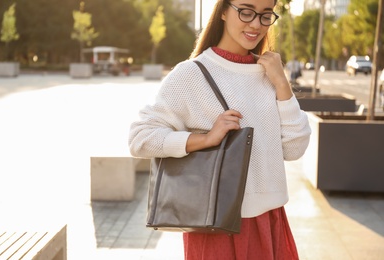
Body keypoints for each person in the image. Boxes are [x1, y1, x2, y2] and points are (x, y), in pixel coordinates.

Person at [128, 0, 311, 259]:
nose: (256, 24)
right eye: (246, 11)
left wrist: (283, 84)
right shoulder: (191, 74)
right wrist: (204, 139)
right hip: (215, 227)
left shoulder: (270, 75)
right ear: (223, 11)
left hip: (269, 221)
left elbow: (294, 149)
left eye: (265, 15)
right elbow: (139, 138)